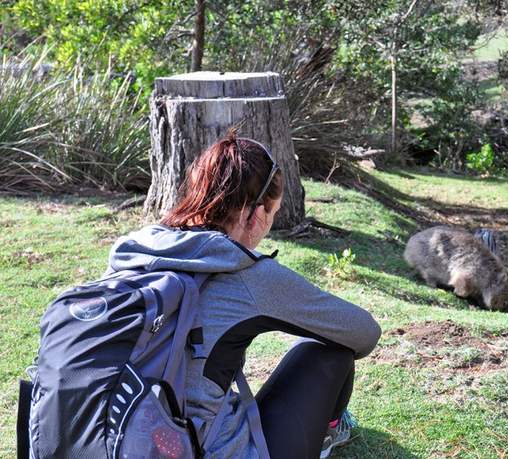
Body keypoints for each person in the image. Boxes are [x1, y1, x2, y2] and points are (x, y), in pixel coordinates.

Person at [105, 129, 381, 458]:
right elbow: (363, 332)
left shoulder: (134, 255)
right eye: (273, 214)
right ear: (258, 212)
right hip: (193, 447)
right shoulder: (247, 273)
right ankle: (331, 430)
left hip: (100, 439)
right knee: (326, 349)